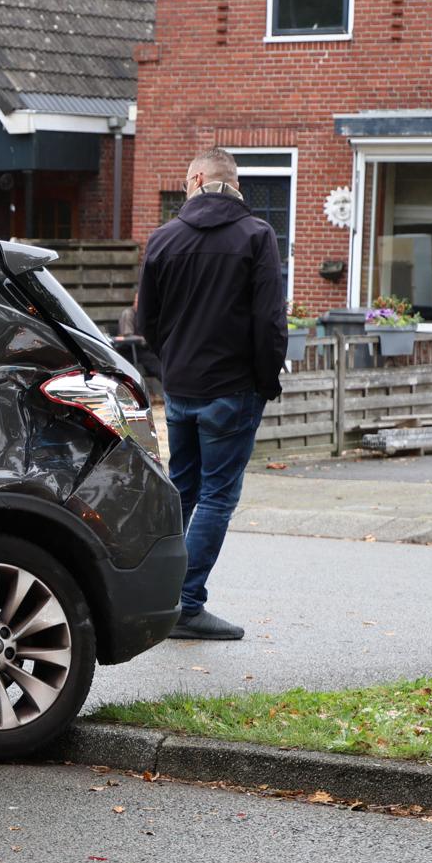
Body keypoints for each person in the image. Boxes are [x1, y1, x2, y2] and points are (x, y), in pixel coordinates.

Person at [136, 146, 285, 640]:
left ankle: (157, 599)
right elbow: (269, 320)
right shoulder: (256, 236)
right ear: (231, 182)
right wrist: (266, 382)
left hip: (181, 389)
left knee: (182, 487)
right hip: (233, 389)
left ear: (197, 178)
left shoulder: (163, 238)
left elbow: (145, 321)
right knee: (218, 496)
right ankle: (187, 604)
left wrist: (168, 367)